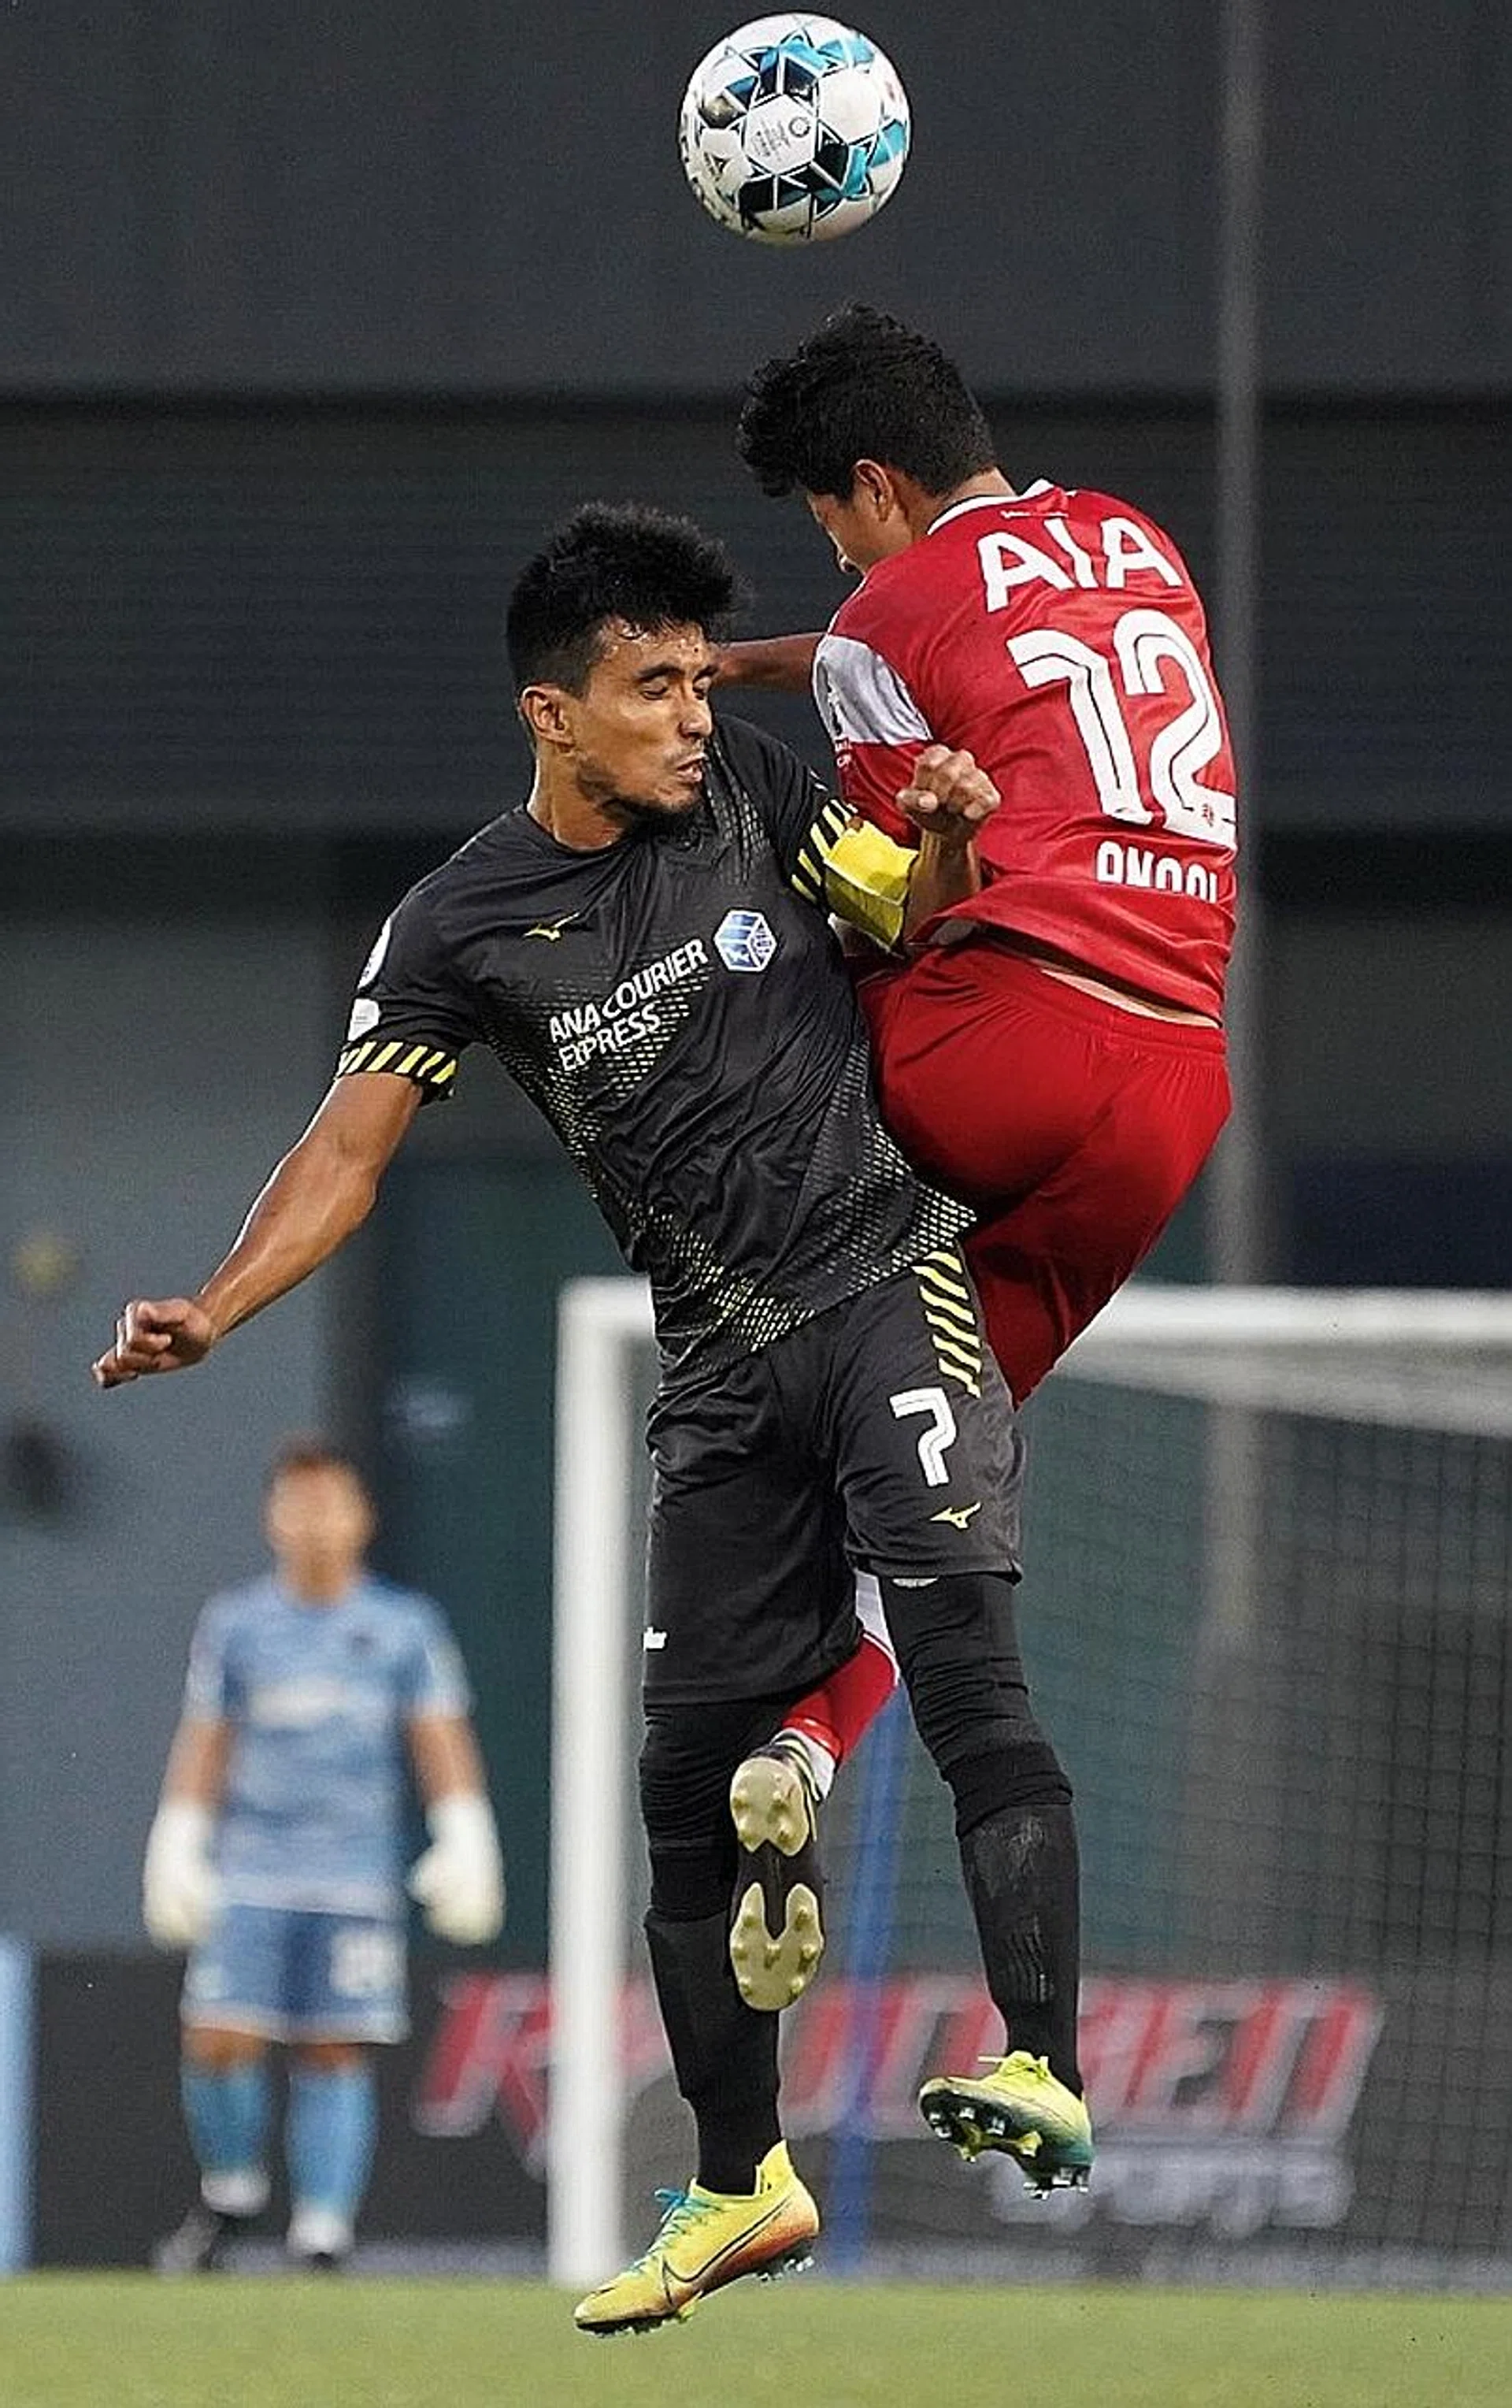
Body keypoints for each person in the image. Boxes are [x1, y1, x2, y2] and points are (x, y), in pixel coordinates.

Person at [95, 502, 1091, 2336]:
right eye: (653, 689)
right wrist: (220, 1305)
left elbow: (896, 904)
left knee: (970, 1664)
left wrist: (942, 847)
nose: (693, 717)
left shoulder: (757, 792)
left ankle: (1042, 2056)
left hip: (885, 1288)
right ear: (552, 711)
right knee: (677, 1804)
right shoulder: (459, 920)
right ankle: (738, 2179)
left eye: (701, 683)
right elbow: (345, 1148)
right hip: (714, 1377)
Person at [717, 302, 1237, 1855]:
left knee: (786, 894)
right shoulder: (1134, 544)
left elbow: (910, 892)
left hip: (997, 1044)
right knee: (945, 1449)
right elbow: (978, 641)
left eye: (826, 517)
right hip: (1171, 1081)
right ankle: (806, 1746)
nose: (832, 553)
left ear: (873, 485)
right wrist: (756, 653)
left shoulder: (887, 621)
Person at [144, 1436, 505, 2274]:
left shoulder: (403, 1626)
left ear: (361, 1518)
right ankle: (232, 2192)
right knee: (219, 2037)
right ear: (272, 1519)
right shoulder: (237, 1625)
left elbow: (437, 1734)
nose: (313, 1524)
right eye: (296, 1506)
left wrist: (464, 1833)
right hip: (252, 1867)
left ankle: (322, 2233)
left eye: (329, 1504)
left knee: (335, 2046)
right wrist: (178, 1840)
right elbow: (207, 1738)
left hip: (354, 1875)